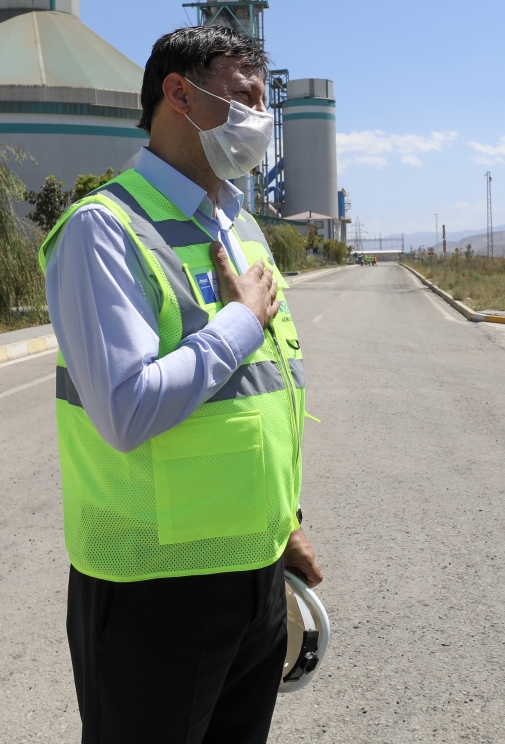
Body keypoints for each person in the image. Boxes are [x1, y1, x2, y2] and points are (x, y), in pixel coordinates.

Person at [39, 26, 322, 743]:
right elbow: (127, 410)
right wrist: (236, 324)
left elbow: (264, 398)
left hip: (253, 571)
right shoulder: (104, 231)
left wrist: (286, 523)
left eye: (265, 101)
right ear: (179, 94)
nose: (259, 118)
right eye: (242, 97)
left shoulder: (242, 227)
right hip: (151, 593)